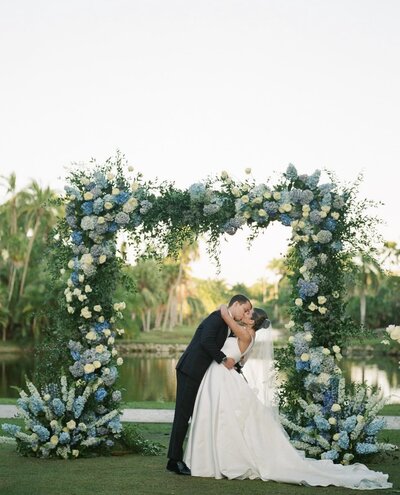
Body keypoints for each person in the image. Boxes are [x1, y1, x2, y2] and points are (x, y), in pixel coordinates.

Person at [183, 307, 392, 490]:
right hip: (225, 379)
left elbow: (227, 319)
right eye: (245, 312)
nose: (245, 314)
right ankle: (217, 457)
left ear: (252, 321)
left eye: (248, 313)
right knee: (228, 421)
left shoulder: (245, 334)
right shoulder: (249, 336)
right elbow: (240, 363)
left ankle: (226, 459)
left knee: (228, 420)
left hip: (225, 379)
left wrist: (223, 309)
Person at [166, 294, 252, 475]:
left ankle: (190, 456)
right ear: (236, 304)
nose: (245, 313)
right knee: (183, 415)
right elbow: (206, 341)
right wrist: (223, 359)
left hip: (200, 373)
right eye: (244, 309)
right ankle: (174, 460)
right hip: (190, 370)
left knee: (193, 414)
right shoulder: (216, 318)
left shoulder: (225, 320)